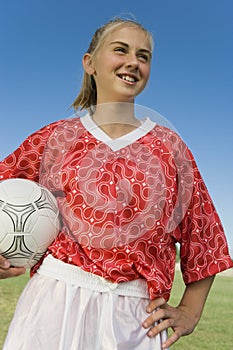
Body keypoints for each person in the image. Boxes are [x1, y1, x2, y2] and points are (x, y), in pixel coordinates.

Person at [0, 17, 232, 350]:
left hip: (135, 317)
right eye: (120, 50)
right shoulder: (56, 138)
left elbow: (204, 234)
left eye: (144, 56)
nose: (133, 62)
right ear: (89, 62)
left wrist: (190, 312)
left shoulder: (170, 148)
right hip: (54, 302)